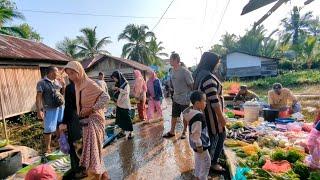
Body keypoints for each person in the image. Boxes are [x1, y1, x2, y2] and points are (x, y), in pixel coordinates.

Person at [64, 61, 110, 180]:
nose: (71, 77)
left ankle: (99, 176)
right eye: (68, 74)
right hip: (85, 122)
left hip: (95, 121)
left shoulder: (89, 83)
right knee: (93, 155)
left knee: (94, 155)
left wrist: (91, 109)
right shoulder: (77, 85)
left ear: (79, 71)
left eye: (73, 73)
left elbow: (106, 97)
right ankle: (103, 176)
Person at [193, 52, 227, 172]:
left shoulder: (200, 74)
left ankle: (208, 161)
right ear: (212, 63)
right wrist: (221, 117)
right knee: (219, 136)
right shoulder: (208, 77)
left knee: (212, 137)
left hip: (208, 113)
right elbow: (214, 100)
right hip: (212, 115)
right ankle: (213, 162)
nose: (217, 65)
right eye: (217, 63)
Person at [163, 52, 194, 139]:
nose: (169, 61)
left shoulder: (185, 71)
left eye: (171, 60)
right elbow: (172, 83)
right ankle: (172, 132)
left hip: (185, 98)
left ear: (176, 60)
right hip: (176, 97)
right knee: (174, 115)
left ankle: (184, 132)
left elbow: (192, 85)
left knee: (185, 116)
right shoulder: (172, 71)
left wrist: (189, 96)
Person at [58, 81, 85, 179]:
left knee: (75, 148)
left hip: (73, 122)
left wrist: (64, 122)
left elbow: (68, 107)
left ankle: (78, 171)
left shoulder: (70, 87)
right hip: (81, 120)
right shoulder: (82, 85)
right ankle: (82, 169)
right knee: (81, 146)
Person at [36, 66, 65, 153]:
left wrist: (64, 85)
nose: (58, 74)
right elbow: (38, 97)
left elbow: (62, 93)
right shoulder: (42, 83)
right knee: (48, 129)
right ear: (51, 72)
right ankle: (47, 149)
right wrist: (39, 110)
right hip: (50, 108)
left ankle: (61, 145)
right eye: (57, 72)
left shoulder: (57, 82)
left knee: (59, 125)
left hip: (60, 107)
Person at [183, 91, 211, 180]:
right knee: (207, 162)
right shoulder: (198, 116)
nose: (206, 103)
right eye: (204, 101)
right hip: (200, 143)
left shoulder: (192, 112)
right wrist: (199, 145)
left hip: (195, 143)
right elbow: (196, 133)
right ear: (198, 103)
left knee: (198, 159)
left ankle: (197, 176)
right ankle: (203, 177)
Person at [111, 70, 134, 139]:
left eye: (114, 78)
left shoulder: (126, 84)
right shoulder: (117, 84)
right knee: (120, 119)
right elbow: (116, 93)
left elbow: (126, 92)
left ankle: (130, 132)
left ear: (118, 77)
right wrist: (114, 89)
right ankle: (123, 131)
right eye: (113, 78)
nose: (114, 80)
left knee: (127, 118)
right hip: (118, 104)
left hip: (124, 104)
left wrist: (118, 89)